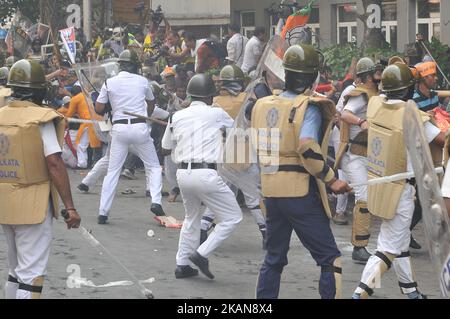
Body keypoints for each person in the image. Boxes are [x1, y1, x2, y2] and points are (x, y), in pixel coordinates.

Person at [251, 44, 351, 299]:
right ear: (311, 76)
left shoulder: (261, 104)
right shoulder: (310, 107)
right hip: (299, 192)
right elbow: (307, 146)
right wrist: (331, 179)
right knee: (331, 260)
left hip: (271, 190)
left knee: (273, 259)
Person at [352, 63, 445, 299]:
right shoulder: (414, 117)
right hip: (401, 191)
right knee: (388, 248)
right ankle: (360, 293)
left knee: (399, 243)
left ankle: (411, 292)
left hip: (380, 185)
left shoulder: (375, 106)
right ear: (408, 89)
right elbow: (442, 140)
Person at [0, 59, 81, 299]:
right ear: (39, 89)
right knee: (32, 275)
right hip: (33, 204)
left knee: (15, 270)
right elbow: (54, 162)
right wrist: (70, 207)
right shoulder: (41, 118)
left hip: (5, 203)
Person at [161, 74, 243, 280]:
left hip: (183, 174)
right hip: (206, 173)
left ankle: (182, 264)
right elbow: (237, 133)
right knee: (232, 217)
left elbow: (165, 148)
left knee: (191, 218)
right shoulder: (216, 113)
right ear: (209, 97)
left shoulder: (176, 116)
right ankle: (201, 253)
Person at [94, 49, 165, 224]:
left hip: (119, 129)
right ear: (134, 66)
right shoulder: (143, 81)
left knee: (112, 171)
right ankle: (156, 201)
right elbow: (151, 103)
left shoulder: (109, 82)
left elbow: (99, 109)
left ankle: (103, 212)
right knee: (154, 167)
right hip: (139, 126)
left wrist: (110, 104)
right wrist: (145, 115)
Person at [200, 64, 267, 248]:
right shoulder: (247, 99)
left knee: (222, 193)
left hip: (223, 154)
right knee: (253, 196)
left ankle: (203, 226)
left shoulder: (215, 102)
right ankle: (266, 233)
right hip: (244, 151)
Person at [337, 57, 383, 263]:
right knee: (363, 197)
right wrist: (361, 122)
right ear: (366, 77)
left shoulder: (376, 94)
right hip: (354, 155)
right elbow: (345, 114)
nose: (379, 76)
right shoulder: (360, 95)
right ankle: (359, 247)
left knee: (375, 197)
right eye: (376, 73)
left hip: (370, 154)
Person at [65, 85, 102, 169]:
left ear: (72, 94)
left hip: (87, 122)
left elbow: (69, 115)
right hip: (97, 121)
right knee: (96, 145)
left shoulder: (75, 99)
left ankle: (82, 164)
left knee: (80, 144)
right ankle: (92, 163)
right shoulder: (87, 95)